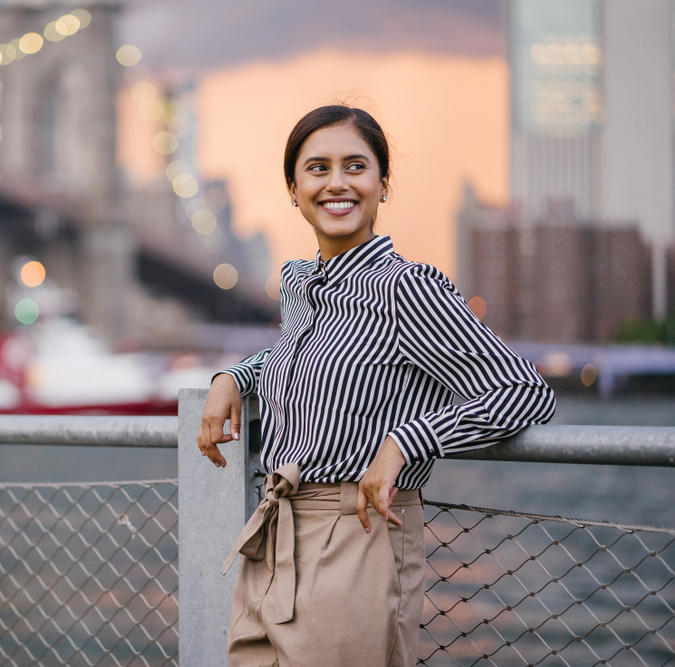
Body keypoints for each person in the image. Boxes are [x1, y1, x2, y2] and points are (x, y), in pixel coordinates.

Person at [196, 105, 556, 667]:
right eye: (317, 168)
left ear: (381, 185)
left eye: (355, 166)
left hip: (358, 536)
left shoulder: (407, 289)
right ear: (293, 189)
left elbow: (524, 391)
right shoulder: (301, 285)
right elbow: (303, 360)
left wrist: (406, 441)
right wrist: (235, 377)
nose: (336, 182)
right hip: (272, 539)